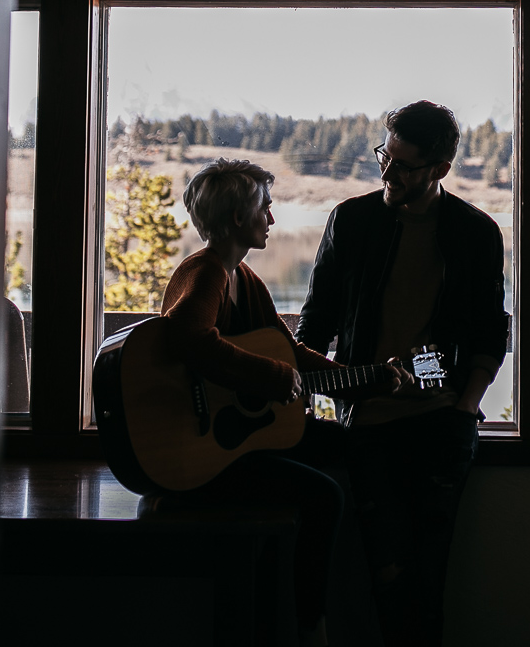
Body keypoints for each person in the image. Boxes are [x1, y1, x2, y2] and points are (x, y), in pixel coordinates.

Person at [159, 158, 400, 647]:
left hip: (238, 442)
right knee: (323, 495)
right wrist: (270, 377)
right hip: (204, 454)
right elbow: (188, 336)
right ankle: (310, 623)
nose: (272, 218)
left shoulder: (242, 277)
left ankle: (367, 586)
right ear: (236, 220)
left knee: (355, 446)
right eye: (265, 208)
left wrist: (368, 383)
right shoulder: (206, 273)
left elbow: (291, 356)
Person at [298, 101, 510, 647]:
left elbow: (491, 330)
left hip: (443, 424)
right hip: (368, 424)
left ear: (439, 168)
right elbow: (316, 321)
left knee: (428, 578)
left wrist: (465, 405)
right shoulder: (352, 220)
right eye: (384, 157)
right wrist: (306, 395)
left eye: (404, 165)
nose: (388, 172)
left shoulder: (475, 232)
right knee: (386, 578)